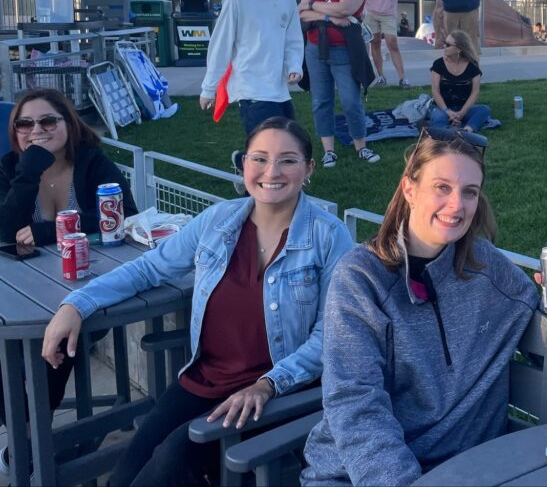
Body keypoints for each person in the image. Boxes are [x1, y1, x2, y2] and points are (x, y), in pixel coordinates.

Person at [41, 118, 352, 487]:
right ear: (243, 164)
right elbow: (148, 269)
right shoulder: (218, 222)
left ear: (308, 169)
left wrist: (267, 385)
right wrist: (76, 304)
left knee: (170, 463)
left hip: (275, 392)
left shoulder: (329, 236)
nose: (272, 172)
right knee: (123, 476)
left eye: (288, 160)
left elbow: (331, 336)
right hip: (203, 381)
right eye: (260, 158)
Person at [301, 130, 547, 486]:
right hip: (359, 475)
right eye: (442, 187)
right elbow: (356, 404)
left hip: (467, 470)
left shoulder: (487, 268)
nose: (457, 205)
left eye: (470, 192)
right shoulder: (361, 279)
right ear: (409, 189)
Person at [0, 88, 137, 470]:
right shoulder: (11, 168)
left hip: (90, 291)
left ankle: (29, 442)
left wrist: (48, 232)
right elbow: (4, 231)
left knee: (53, 351)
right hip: (21, 293)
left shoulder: (93, 164)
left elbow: (124, 215)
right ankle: (26, 431)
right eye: (25, 124)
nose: (36, 130)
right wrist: (31, 167)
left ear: (68, 123)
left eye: (48, 121)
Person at [200, 0, 303, 134]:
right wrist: (208, 88)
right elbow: (220, 46)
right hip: (251, 88)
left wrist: (294, 66)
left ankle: (241, 160)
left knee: (287, 144)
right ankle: (244, 162)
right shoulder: (237, 0)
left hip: (280, 88)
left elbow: (293, 40)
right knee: (267, 147)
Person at [299, 0, 380, 166]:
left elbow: (346, 9)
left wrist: (315, 6)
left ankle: (361, 147)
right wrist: (327, 16)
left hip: (344, 50)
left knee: (351, 100)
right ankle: (328, 150)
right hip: (316, 49)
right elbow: (301, 12)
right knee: (321, 100)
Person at [429, 29, 490, 135]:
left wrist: (462, 113)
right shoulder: (438, 64)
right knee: (439, 117)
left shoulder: (472, 66)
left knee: (484, 110)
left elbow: (475, 92)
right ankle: (447, 133)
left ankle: (467, 131)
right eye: (445, 43)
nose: (444, 47)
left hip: (463, 108)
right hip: (442, 108)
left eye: (448, 45)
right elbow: (435, 91)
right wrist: (447, 112)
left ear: (458, 49)